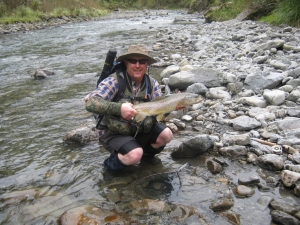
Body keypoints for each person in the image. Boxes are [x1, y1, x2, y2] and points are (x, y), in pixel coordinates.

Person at [84, 44, 173, 172]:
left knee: (166, 135)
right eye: (133, 61)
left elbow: (159, 112)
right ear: (126, 63)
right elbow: (89, 102)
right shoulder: (114, 81)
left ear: (147, 64)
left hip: (138, 128)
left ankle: (146, 158)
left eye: (142, 61)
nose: (138, 65)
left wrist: (173, 106)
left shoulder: (152, 84)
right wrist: (119, 108)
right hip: (113, 132)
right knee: (134, 154)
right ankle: (110, 167)